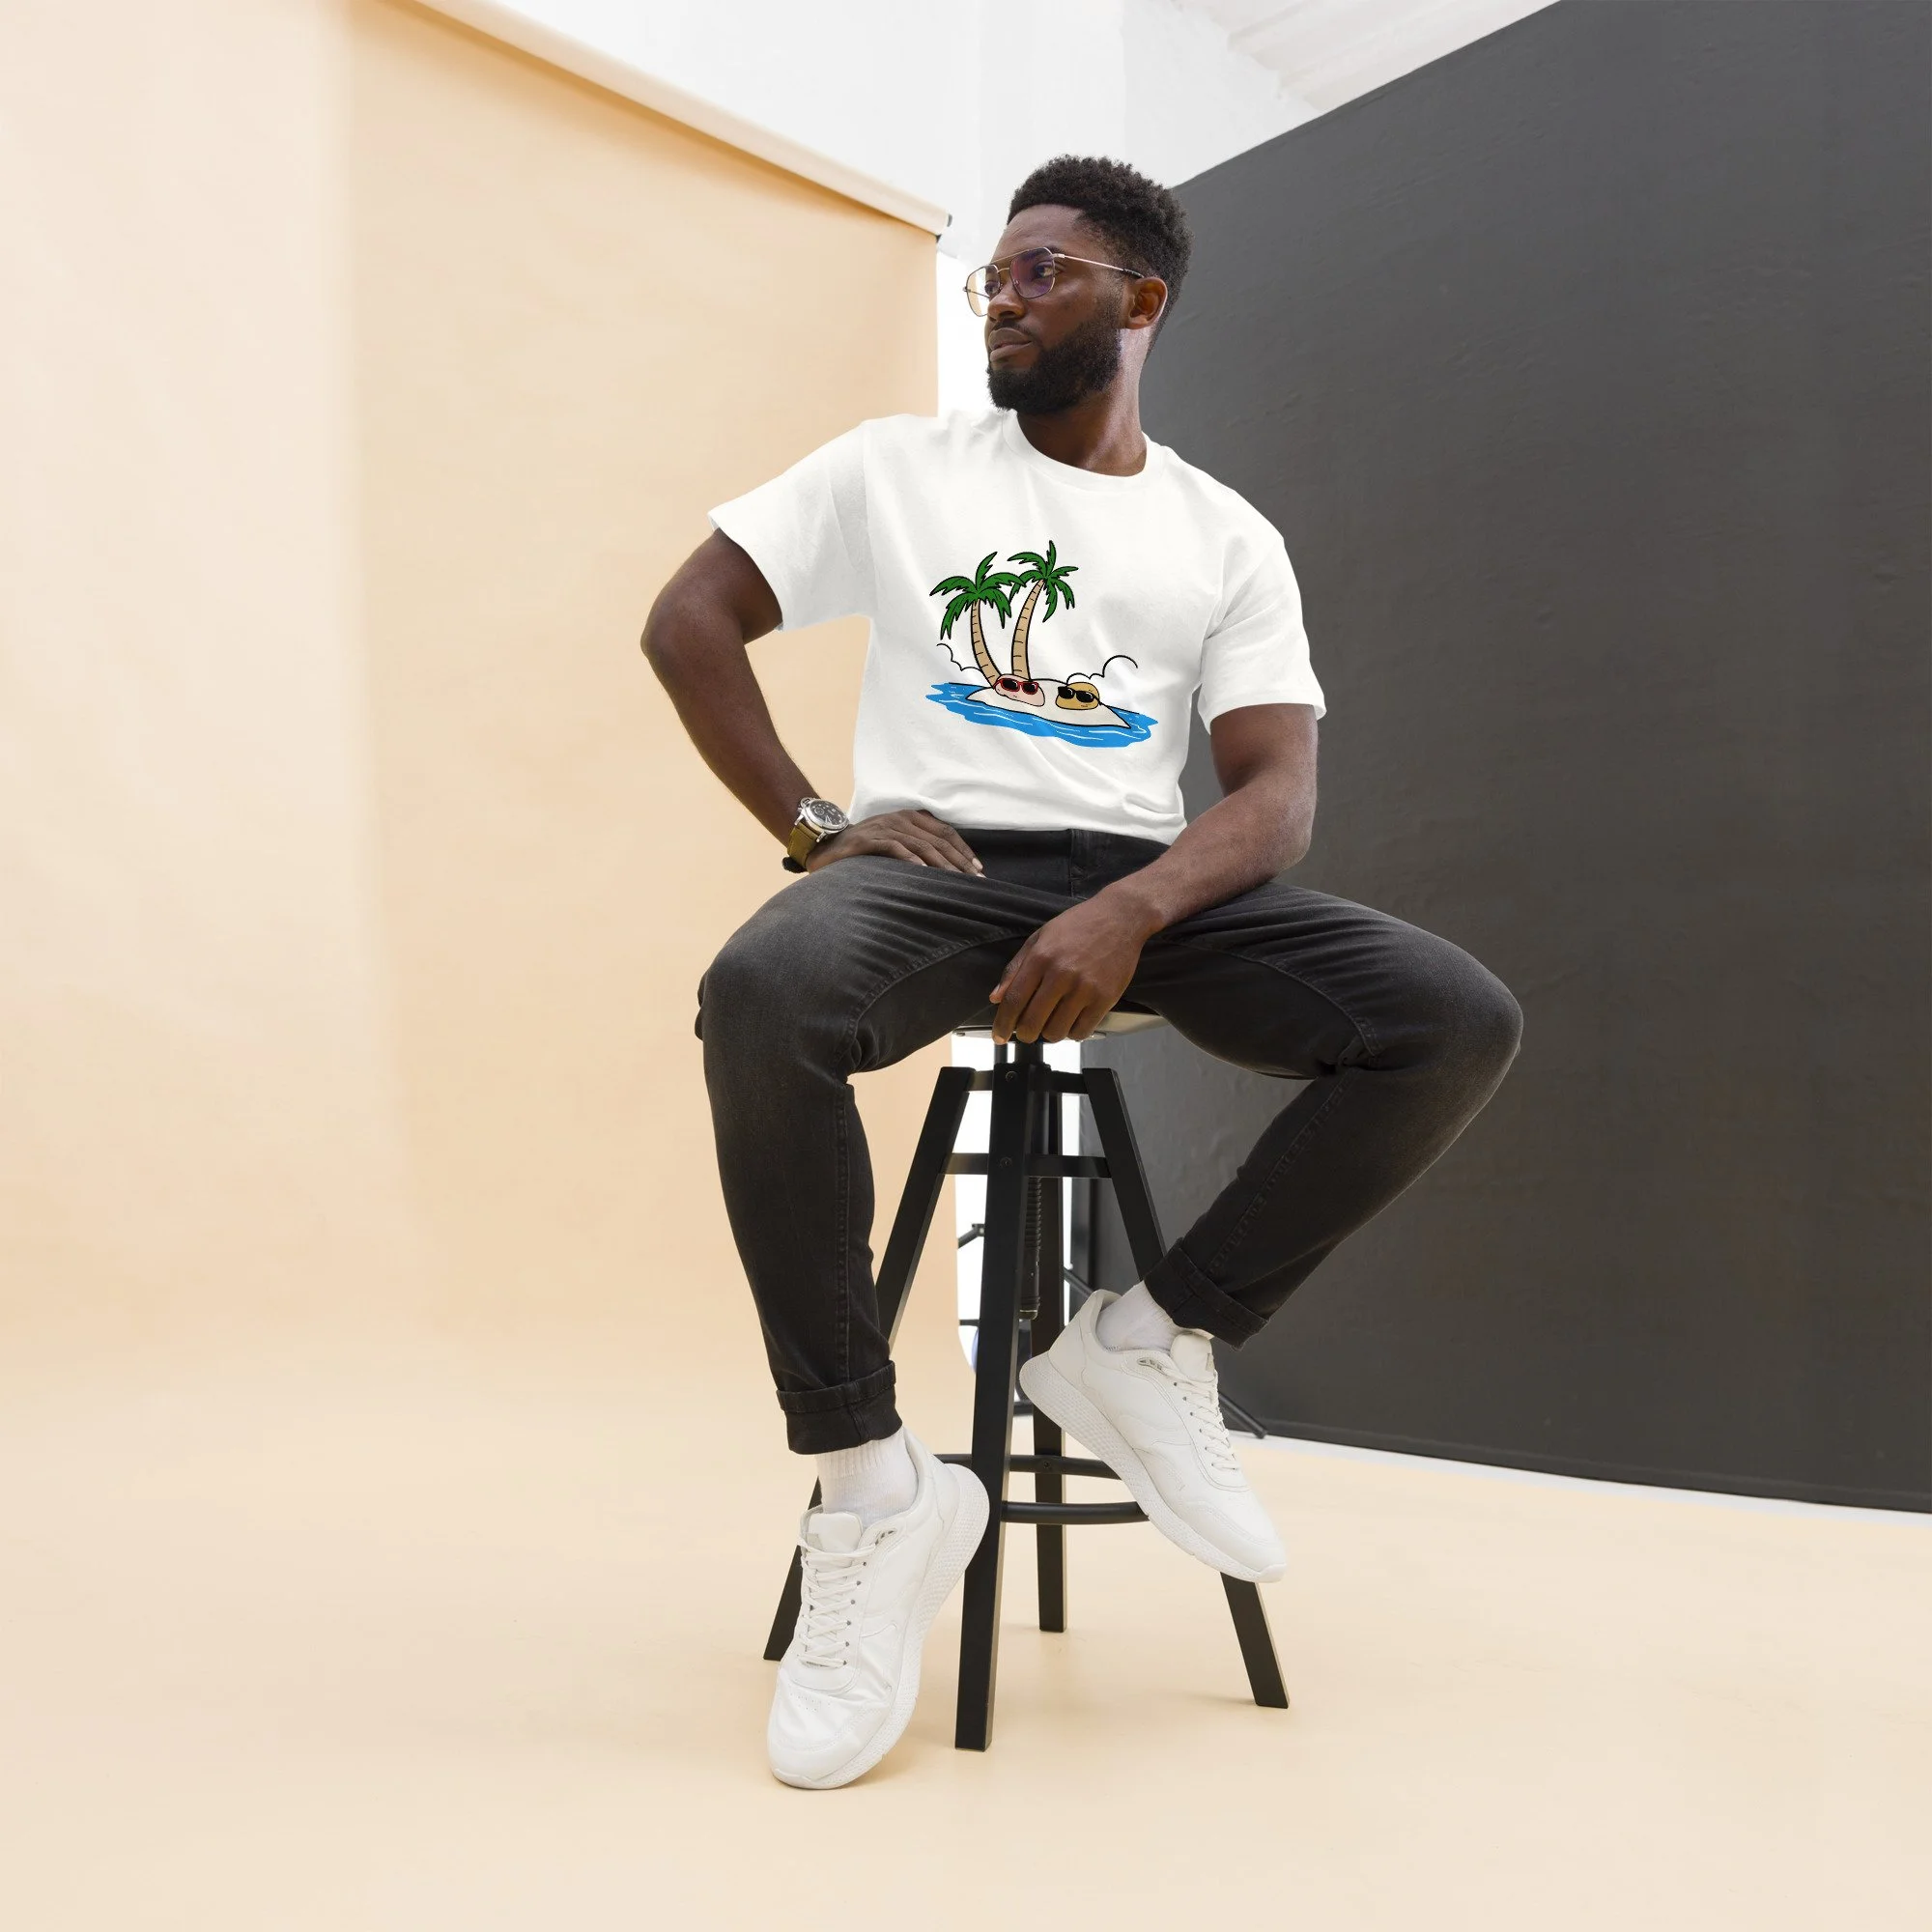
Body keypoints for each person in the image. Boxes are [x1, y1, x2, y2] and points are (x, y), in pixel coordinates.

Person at [641, 155, 1521, 1789]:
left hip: (1146, 884)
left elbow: (1274, 794)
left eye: (1041, 272)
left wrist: (1132, 912)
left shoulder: (1221, 534)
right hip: (939, 873)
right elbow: (688, 619)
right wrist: (821, 824)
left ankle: (1144, 1342)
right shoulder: (897, 469)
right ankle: (871, 1491)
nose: (1002, 294)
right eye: (992, 273)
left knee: (1450, 1018)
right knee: (762, 996)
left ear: (1140, 302)